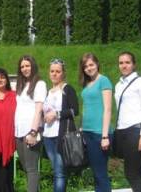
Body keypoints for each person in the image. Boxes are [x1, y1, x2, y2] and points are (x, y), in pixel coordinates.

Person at [114, 51, 141, 192]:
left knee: (131, 173)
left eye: (127, 62)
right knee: (138, 170)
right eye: (121, 63)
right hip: (122, 131)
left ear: (134, 64)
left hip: (136, 130)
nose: (124, 66)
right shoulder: (118, 85)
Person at [43, 58, 79, 192]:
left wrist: (56, 114)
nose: (54, 74)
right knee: (57, 170)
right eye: (52, 71)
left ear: (63, 73)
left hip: (61, 136)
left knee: (59, 172)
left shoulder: (67, 89)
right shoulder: (47, 91)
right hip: (48, 136)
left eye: (58, 71)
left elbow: (75, 110)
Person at [79, 53, 112, 192]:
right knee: (96, 172)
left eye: (91, 65)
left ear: (97, 64)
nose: (89, 68)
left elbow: (108, 109)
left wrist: (105, 136)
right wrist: (82, 126)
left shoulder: (103, 80)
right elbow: (87, 107)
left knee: (101, 173)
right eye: (85, 66)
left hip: (100, 133)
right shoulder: (87, 84)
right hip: (88, 132)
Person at [14, 55, 47, 192]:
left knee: (32, 169)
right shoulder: (21, 85)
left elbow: (39, 109)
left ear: (33, 66)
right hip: (19, 132)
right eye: (22, 66)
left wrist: (33, 132)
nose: (24, 69)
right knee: (26, 167)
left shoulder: (39, 84)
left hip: (31, 132)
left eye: (27, 65)